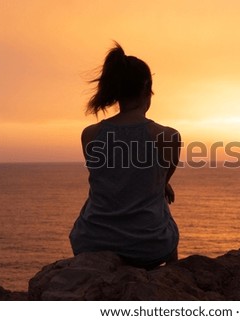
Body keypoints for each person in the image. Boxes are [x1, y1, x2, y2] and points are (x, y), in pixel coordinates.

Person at [69, 42, 180, 269]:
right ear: (147, 87)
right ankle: (171, 281)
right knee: (165, 219)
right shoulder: (168, 136)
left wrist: (160, 183)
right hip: (148, 247)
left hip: (92, 241)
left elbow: (111, 176)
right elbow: (162, 177)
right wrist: (162, 184)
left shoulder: (90, 135)